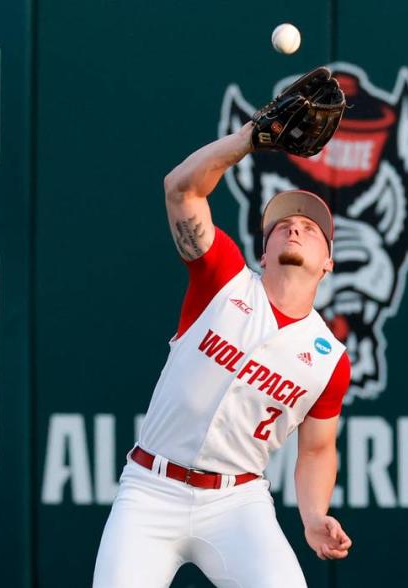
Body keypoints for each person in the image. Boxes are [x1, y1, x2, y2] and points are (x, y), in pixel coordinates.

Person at [92, 121, 353, 587]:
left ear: (328, 261)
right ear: (264, 247)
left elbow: (317, 449)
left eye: (311, 228)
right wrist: (247, 140)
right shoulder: (223, 279)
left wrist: (314, 515)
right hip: (151, 490)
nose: (295, 227)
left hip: (236, 505)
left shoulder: (331, 359)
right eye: (283, 226)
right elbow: (179, 188)